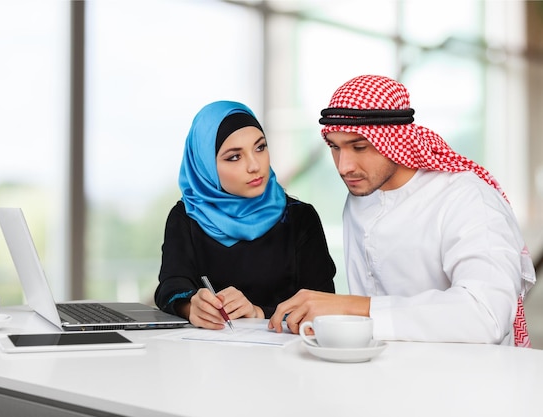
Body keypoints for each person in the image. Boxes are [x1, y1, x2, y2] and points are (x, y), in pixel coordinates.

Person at [269, 74, 536, 346]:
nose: (344, 166)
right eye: (335, 147)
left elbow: (486, 316)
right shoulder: (361, 196)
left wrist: (352, 308)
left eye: (359, 146)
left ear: (395, 139)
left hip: (466, 380)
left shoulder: (467, 199)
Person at [155, 100, 336, 330]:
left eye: (260, 147)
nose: (254, 165)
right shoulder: (187, 216)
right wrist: (191, 306)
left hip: (286, 360)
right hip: (207, 359)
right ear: (206, 166)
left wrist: (258, 312)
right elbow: (170, 286)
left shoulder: (300, 219)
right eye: (234, 157)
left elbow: (325, 304)